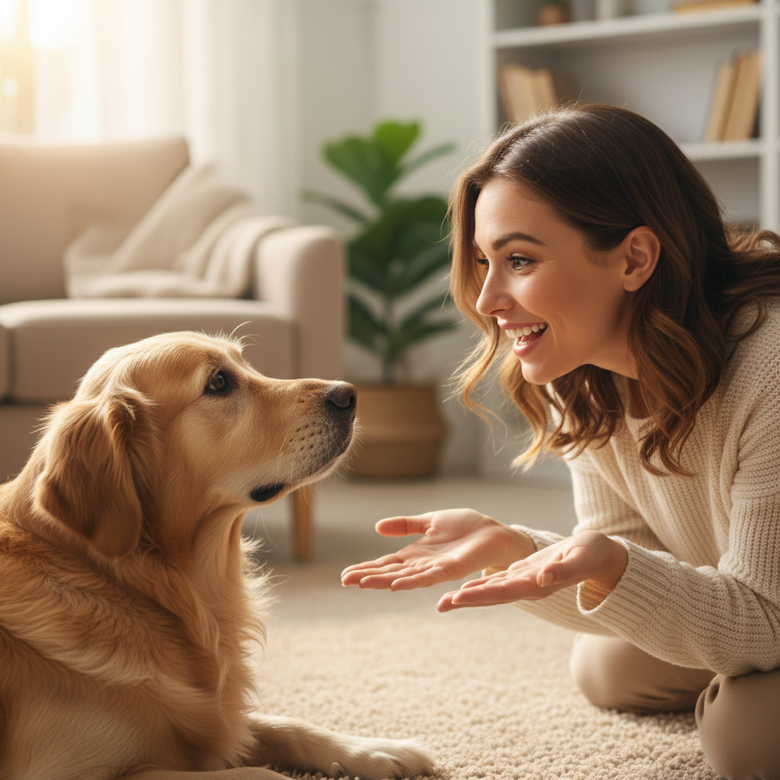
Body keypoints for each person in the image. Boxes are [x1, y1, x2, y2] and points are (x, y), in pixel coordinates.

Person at [341, 103, 780, 780]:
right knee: (608, 666)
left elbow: (762, 619)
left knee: (744, 736)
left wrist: (731, 650)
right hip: (761, 597)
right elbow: (633, 549)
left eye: (518, 259)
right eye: (485, 261)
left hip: (769, 607)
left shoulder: (770, 367)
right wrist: (520, 547)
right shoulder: (585, 372)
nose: (487, 298)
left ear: (635, 257)